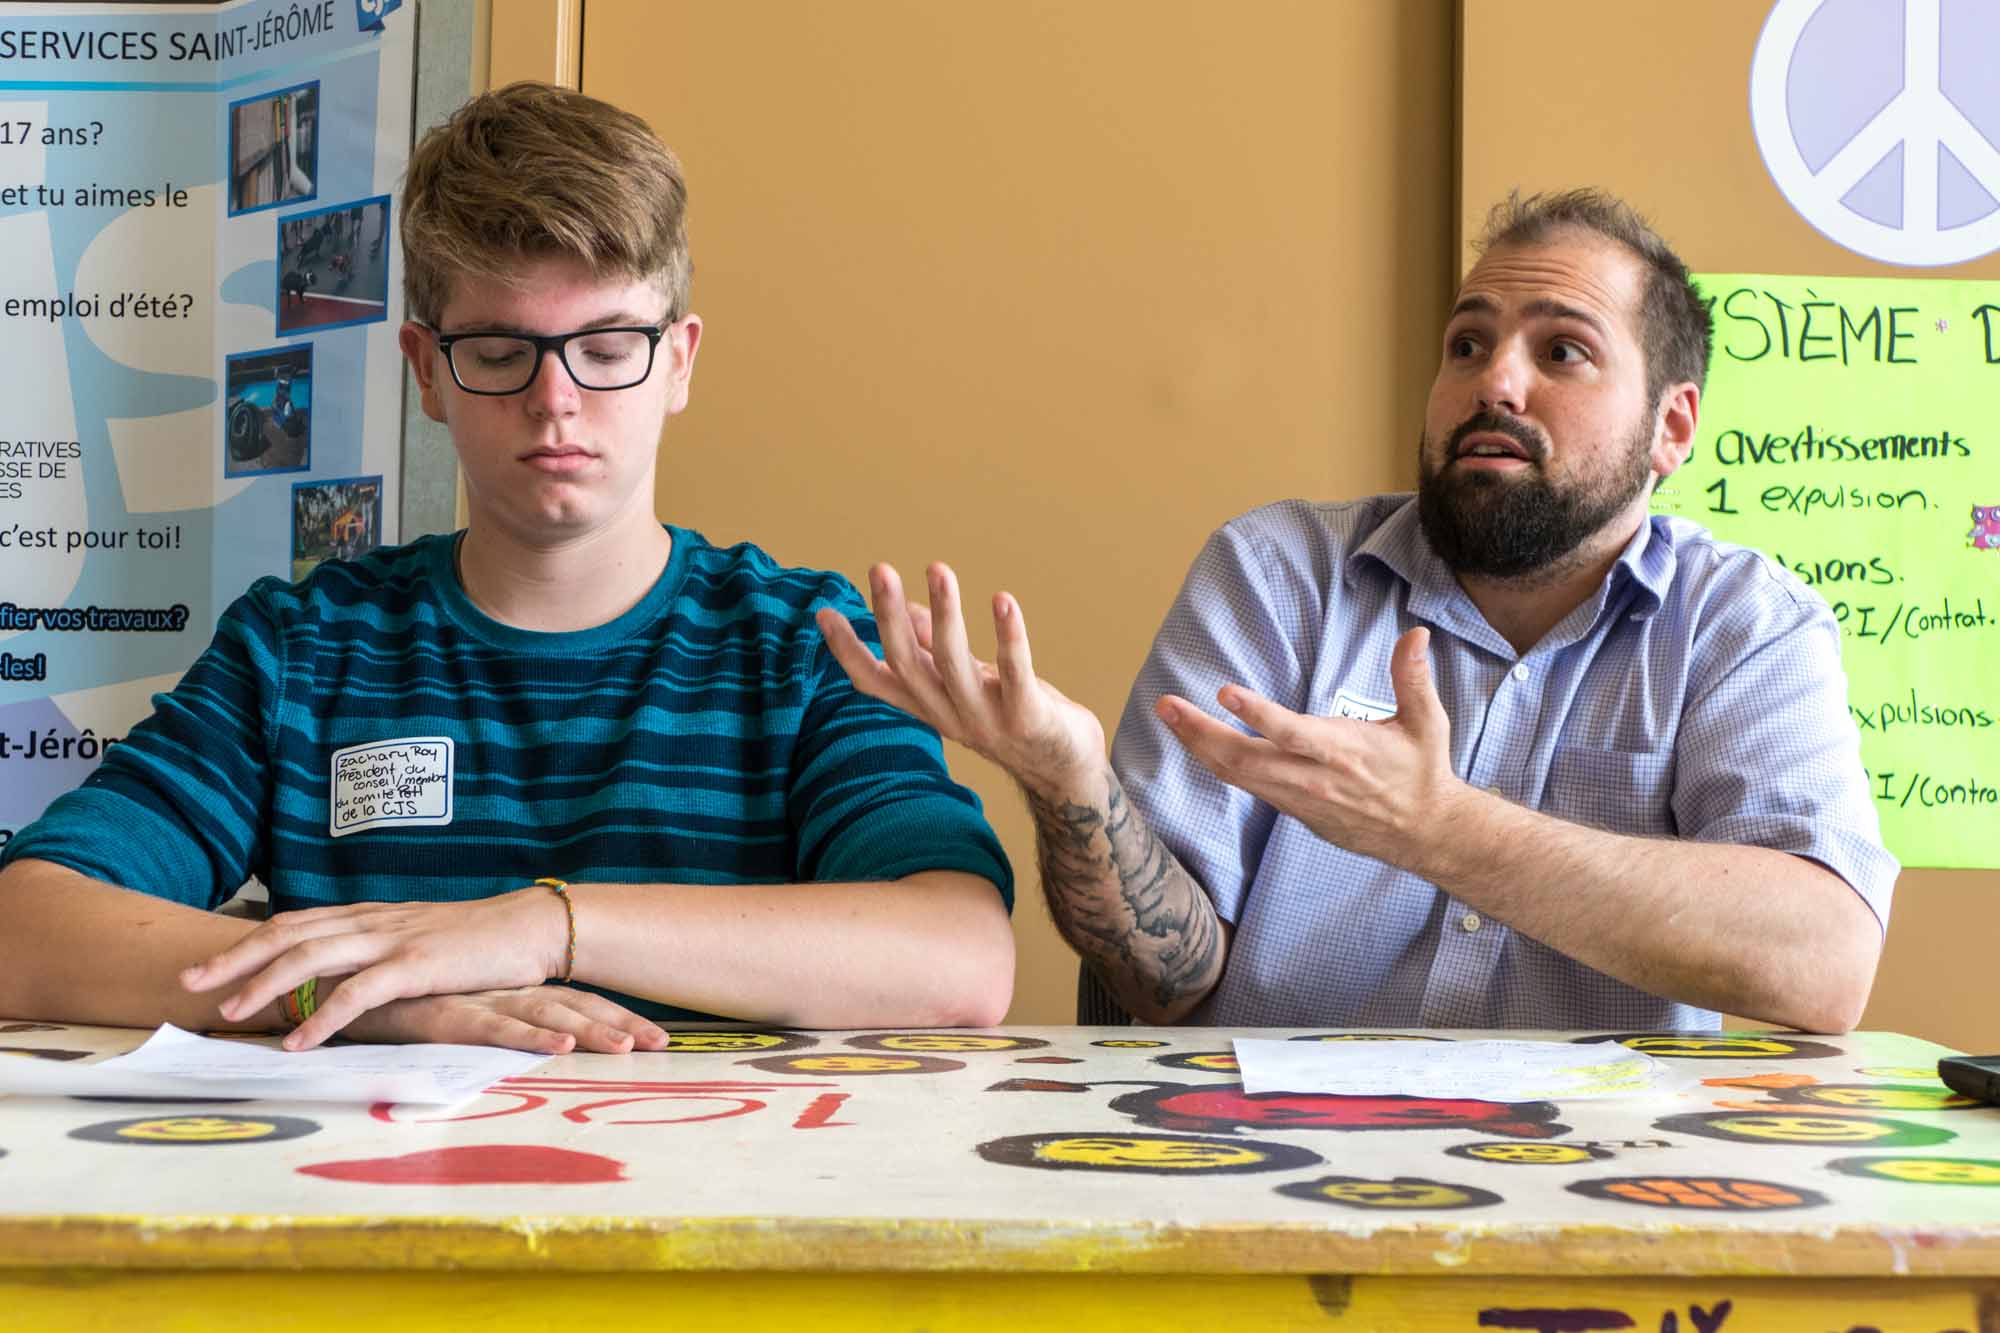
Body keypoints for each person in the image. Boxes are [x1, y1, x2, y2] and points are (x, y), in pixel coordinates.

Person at [0, 82, 1014, 1054]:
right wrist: (372, 995)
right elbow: (26, 924)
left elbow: (958, 958)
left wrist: (543, 927)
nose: (555, 399)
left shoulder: (803, 644)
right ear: (426, 372)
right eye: (497, 351)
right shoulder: (301, 651)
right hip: (376, 1201)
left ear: (679, 362)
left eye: (608, 346)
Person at [820, 189, 1895, 1034]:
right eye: (1465, 344)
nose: (1493, 383)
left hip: (1600, 1193)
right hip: (1262, 1178)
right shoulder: (1276, 571)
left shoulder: (1746, 624)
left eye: (1559, 350)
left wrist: (1437, 829)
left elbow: (1820, 965)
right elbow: (1166, 984)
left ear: (1671, 428)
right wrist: (1070, 786)